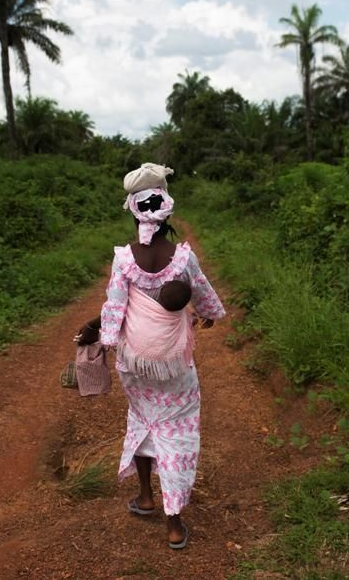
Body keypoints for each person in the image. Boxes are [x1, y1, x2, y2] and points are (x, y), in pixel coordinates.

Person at [99, 164, 226, 550]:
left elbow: (114, 307)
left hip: (135, 364)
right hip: (175, 365)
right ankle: (173, 524)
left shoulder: (124, 260)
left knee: (142, 421)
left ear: (134, 209)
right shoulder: (183, 259)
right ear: (166, 208)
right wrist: (209, 315)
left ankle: (145, 497)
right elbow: (205, 299)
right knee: (177, 432)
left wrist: (106, 341)